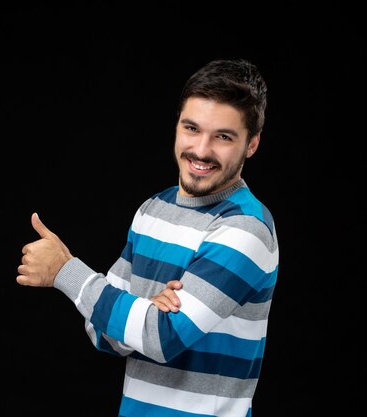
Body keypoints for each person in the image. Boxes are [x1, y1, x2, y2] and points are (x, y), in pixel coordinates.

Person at [16, 58, 279, 417]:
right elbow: (99, 332)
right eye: (191, 128)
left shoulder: (247, 228)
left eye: (223, 137)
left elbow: (161, 338)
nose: (201, 150)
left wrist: (66, 272)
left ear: (252, 144)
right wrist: (143, 311)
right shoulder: (152, 210)